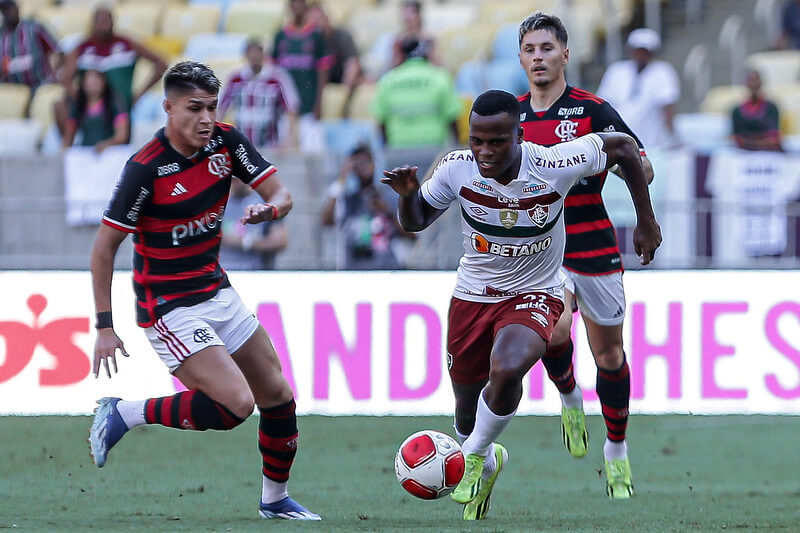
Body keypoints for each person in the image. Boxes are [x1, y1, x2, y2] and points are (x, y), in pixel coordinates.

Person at [382, 89, 661, 521]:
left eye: (497, 141)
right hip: (473, 295)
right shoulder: (456, 168)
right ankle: (490, 461)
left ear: (519, 135)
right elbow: (417, 220)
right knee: (465, 407)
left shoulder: (553, 163)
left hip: (538, 290)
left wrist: (646, 219)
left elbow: (624, 146)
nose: (485, 151)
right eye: (477, 140)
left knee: (509, 365)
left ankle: (473, 456)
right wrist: (406, 194)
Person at [87, 61, 320, 521]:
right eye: (194, 108)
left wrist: (267, 212)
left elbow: (283, 195)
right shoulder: (145, 169)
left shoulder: (226, 142)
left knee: (278, 396)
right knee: (236, 404)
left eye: (212, 107)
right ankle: (127, 412)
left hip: (217, 292)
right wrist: (105, 328)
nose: (206, 118)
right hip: (168, 307)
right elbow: (102, 249)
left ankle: (275, 501)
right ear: (168, 108)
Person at [516, 12, 655, 499]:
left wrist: (623, 173)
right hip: (540, 253)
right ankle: (570, 395)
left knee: (610, 354)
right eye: (530, 49)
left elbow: (643, 166)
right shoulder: (510, 117)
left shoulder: (593, 111)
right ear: (520, 58)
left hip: (594, 243)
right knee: (552, 332)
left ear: (565, 55)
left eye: (547, 49)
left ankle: (616, 451)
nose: (539, 57)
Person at [57, 6, 167, 133]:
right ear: (92, 23)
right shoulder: (82, 47)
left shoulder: (126, 43)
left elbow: (161, 64)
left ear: (113, 22)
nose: (103, 23)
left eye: (107, 19)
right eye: (99, 19)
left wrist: (140, 94)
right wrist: (79, 99)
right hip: (91, 107)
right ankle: (71, 147)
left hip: (120, 105)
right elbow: (66, 78)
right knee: (59, 105)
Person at [321, 143, 410, 269]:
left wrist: (388, 212)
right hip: (354, 271)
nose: (362, 168)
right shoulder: (347, 199)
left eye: (365, 163)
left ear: (373, 164)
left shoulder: (390, 196)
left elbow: (411, 235)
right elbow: (326, 220)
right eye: (357, 164)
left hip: (388, 270)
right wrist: (342, 179)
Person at [596, 28, 680, 149]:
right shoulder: (616, 71)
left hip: (651, 145)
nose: (641, 55)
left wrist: (672, 137)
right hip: (617, 141)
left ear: (652, 53)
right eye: (638, 51)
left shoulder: (662, 72)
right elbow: (603, 105)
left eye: (645, 51)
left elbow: (667, 107)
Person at [372, 37, 461, 148]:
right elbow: (453, 118)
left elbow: (381, 121)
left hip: (398, 149)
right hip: (434, 148)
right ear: (426, 54)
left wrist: (387, 149)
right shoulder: (440, 77)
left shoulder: (388, 80)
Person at [218, 38, 300, 150]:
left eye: (257, 52)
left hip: (269, 145)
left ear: (263, 54)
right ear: (245, 55)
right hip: (243, 146)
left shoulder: (277, 78)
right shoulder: (236, 78)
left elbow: (291, 109)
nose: (254, 56)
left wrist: (288, 141)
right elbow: (221, 108)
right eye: (250, 52)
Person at [272, 0, 331, 120]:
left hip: (309, 104)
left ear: (306, 7)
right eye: (295, 3)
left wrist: (319, 104)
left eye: (301, 3)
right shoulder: (280, 36)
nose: (298, 6)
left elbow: (323, 71)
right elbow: (273, 72)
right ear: (290, 7)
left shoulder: (316, 36)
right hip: (284, 108)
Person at [307, 2, 362, 118]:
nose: (316, 25)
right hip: (321, 84)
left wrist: (344, 91)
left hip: (342, 81)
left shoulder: (342, 36)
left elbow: (352, 65)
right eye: (312, 23)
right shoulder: (309, 42)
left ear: (326, 19)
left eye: (318, 20)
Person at [220, 178, 288, 270]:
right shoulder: (220, 204)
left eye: (239, 179)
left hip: (256, 273)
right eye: (233, 180)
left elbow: (280, 241)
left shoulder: (265, 205)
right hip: (225, 272)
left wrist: (246, 242)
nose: (236, 183)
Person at [61, 69, 129, 152]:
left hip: (110, 153)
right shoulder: (78, 105)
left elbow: (122, 136)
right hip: (85, 152)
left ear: (104, 81)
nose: (93, 82)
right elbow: (69, 135)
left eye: (97, 78)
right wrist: (64, 152)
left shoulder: (115, 102)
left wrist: (106, 144)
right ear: (83, 83)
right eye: (89, 79)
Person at [0, 0, 58, 90]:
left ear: (17, 8)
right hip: (14, 90)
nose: (7, 13)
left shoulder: (34, 28)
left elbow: (55, 51)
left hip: (40, 86)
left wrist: (54, 74)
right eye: (4, 10)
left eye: (9, 8)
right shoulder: (1, 35)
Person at [732, 69, 782, 151]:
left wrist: (750, 141)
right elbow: (736, 139)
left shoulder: (771, 108)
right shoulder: (737, 111)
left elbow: (774, 138)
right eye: (750, 80)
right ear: (746, 83)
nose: (753, 84)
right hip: (743, 154)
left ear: (761, 83)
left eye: (756, 80)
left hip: (767, 153)